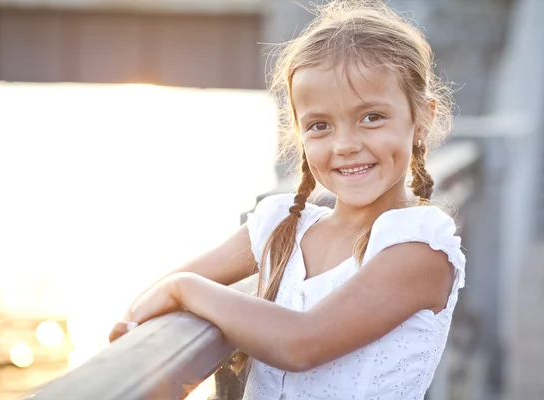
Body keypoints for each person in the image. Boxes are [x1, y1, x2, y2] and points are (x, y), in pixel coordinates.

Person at [109, 1, 465, 398]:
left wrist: (185, 289)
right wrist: (160, 301)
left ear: (423, 119)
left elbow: (302, 344)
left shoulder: (419, 247)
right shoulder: (280, 225)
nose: (345, 145)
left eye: (371, 117)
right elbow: (150, 301)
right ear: (298, 133)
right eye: (320, 125)